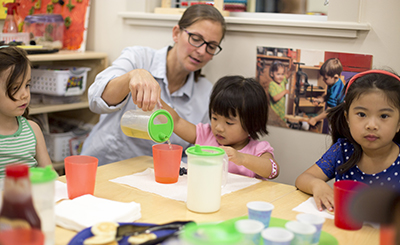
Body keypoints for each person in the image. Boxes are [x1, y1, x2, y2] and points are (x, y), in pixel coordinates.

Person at [80, 5, 226, 166]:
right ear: (176, 33)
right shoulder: (138, 58)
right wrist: (131, 77)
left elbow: (198, 150)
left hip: (156, 182)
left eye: (211, 46)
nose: (202, 51)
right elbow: (95, 99)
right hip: (105, 167)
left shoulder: (206, 93)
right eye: (196, 39)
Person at [295, 69, 400, 212]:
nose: (371, 125)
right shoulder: (343, 150)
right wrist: (317, 185)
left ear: (399, 123)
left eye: (384, 116)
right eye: (362, 114)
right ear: (348, 118)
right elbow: (303, 178)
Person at [159, 75, 278, 179]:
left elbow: (273, 171)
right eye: (214, 118)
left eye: (229, 123)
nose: (218, 128)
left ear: (253, 123)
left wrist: (242, 158)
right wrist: (154, 101)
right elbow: (177, 121)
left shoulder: (257, 150)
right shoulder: (206, 135)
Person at [0, 46, 52, 185]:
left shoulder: (33, 130)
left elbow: (49, 176)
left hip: (31, 201)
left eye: (27, 85)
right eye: (15, 88)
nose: (25, 94)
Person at [308, 58, 344, 127]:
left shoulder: (336, 91)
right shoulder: (334, 83)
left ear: (335, 77)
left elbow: (330, 110)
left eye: (326, 78)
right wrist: (321, 99)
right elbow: (328, 95)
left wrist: (315, 119)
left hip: (339, 118)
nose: (323, 80)